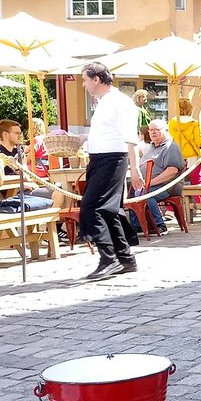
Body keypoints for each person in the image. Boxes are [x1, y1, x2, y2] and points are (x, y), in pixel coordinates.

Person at [79, 62, 141, 279]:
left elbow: (130, 138)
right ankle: (125, 258)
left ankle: (109, 259)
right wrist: (84, 138)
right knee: (109, 210)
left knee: (91, 207)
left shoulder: (119, 102)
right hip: (101, 159)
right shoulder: (105, 102)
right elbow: (108, 133)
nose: (84, 85)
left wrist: (135, 170)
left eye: (85, 80)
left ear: (96, 79)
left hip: (113, 160)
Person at [129, 121, 185, 235]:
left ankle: (160, 225)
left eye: (157, 129)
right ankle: (138, 225)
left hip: (168, 185)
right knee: (130, 195)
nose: (153, 132)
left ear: (165, 131)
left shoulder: (171, 147)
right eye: (151, 130)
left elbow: (172, 171)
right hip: (149, 184)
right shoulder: (152, 147)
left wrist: (151, 182)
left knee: (146, 195)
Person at [169, 96, 201, 184]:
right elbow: (198, 142)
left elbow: (170, 139)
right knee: (196, 180)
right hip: (192, 154)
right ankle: (198, 198)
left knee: (177, 181)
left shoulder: (172, 123)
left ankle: (181, 198)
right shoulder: (194, 123)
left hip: (177, 154)